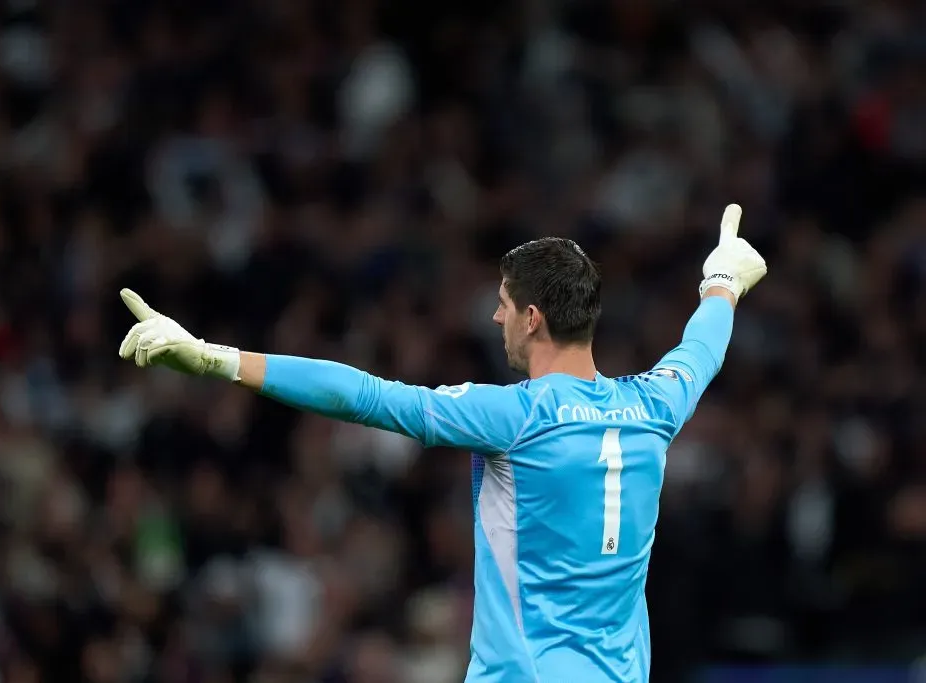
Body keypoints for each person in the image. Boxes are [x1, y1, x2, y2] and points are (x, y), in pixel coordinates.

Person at [117, 205, 767, 682]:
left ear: (532, 318)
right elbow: (701, 346)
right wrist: (722, 281)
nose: (496, 316)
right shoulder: (655, 404)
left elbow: (366, 395)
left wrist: (217, 359)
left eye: (504, 303)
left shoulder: (515, 416)